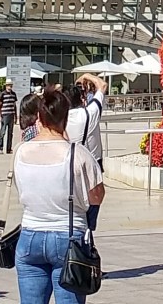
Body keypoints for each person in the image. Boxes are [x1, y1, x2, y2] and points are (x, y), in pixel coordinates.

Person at [13, 87, 105, 304]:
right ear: (66, 116)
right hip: (68, 236)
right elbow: (97, 197)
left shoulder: (20, 150)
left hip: (29, 235)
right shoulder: (78, 153)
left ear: (39, 117)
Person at [66, 73, 108, 231]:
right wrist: (87, 76)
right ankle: (88, 230)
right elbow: (102, 85)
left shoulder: (59, 117)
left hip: (68, 163)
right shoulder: (90, 113)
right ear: (82, 98)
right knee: (93, 200)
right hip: (91, 164)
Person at [0, 81, 19, 155]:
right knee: (2, 132)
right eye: (8, 85)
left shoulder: (13, 94)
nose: (10, 87)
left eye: (11, 85)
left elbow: (14, 105)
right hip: (5, 114)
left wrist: (16, 116)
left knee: (10, 133)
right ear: (6, 86)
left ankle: (8, 149)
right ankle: (0, 148)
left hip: (11, 114)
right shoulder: (3, 94)